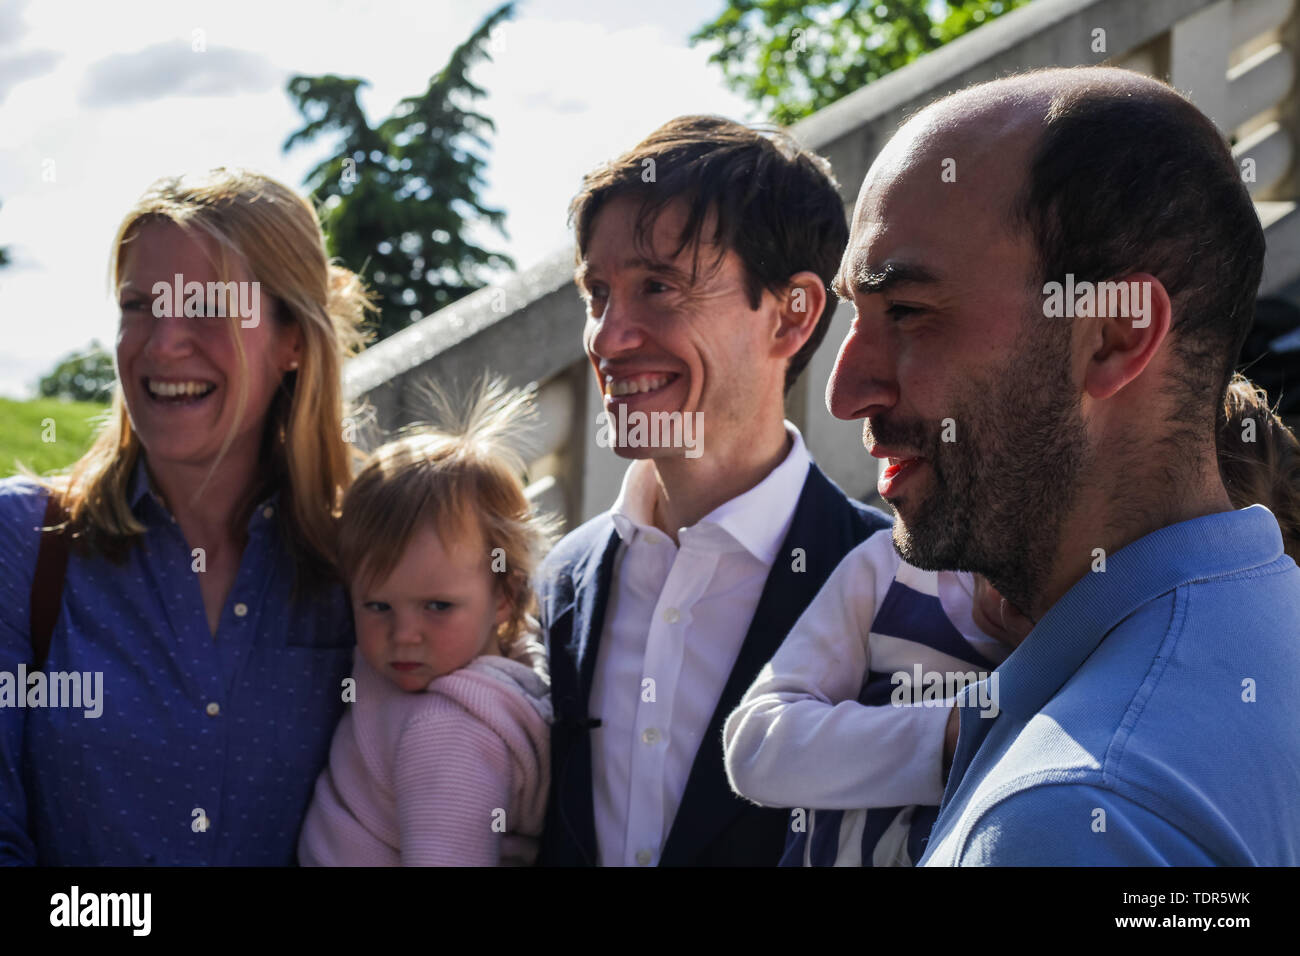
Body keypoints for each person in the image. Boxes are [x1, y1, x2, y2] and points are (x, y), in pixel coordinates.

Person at [824, 66, 1300, 865]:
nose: (844, 391)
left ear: (1114, 335)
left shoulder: (1067, 816)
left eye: (906, 311)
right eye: (856, 313)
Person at [537, 115, 891, 867]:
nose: (605, 336)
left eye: (658, 287)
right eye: (597, 293)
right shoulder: (556, 584)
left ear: (792, 315)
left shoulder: (894, 585)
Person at [0, 168, 370, 865]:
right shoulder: (22, 547)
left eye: (204, 306)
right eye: (138, 305)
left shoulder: (366, 561)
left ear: (292, 338)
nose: (162, 343)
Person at [298, 383, 556, 866]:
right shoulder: (495, 671)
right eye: (378, 607)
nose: (404, 635)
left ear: (505, 596)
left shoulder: (452, 731)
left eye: (437, 607)